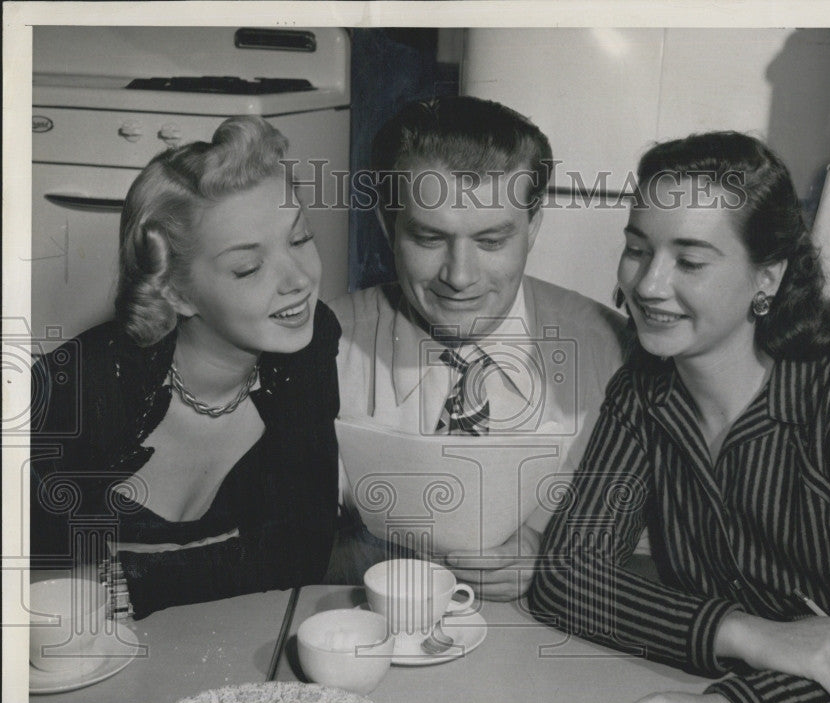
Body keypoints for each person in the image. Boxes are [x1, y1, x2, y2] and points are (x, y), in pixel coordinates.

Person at [527, 132, 830, 703]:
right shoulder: (643, 391)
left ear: (769, 276)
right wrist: (748, 635)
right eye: (638, 249)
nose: (649, 283)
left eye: (691, 261)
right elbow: (565, 577)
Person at [31, 116, 342, 619]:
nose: (299, 280)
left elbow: (301, 549)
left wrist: (146, 582)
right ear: (176, 292)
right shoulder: (83, 384)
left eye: (300, 238)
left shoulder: (304, 344)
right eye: (248, 267)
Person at [331, 96, 632, 599]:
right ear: (387, 225)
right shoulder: (323, 346)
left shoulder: (614, 351)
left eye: (491, 241)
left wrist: (549, 554)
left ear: (533, 226)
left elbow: (649, 552)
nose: (460, 277)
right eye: (429, 238)